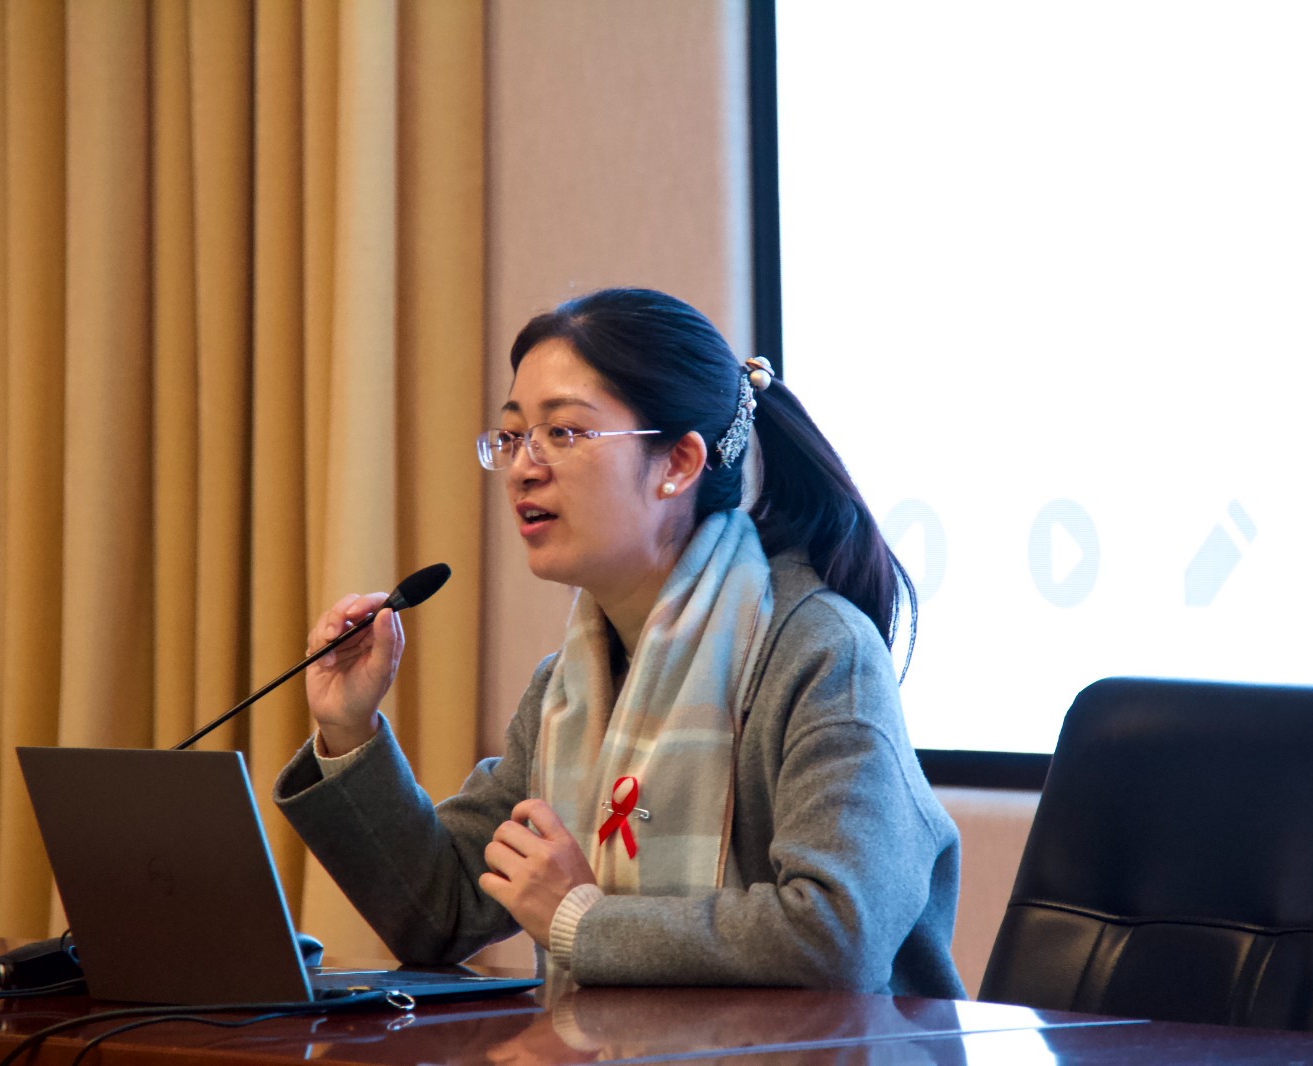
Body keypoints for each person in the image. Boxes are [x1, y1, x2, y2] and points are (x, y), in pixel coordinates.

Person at [274, 287, 963, 995]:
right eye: (512, 436)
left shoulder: (820, 653)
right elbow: (442, 911)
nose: (524, 466)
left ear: (678, 464)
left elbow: (839, 935)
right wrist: (349, 730)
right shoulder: (571, 688)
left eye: (563, 433)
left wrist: (582, 921)